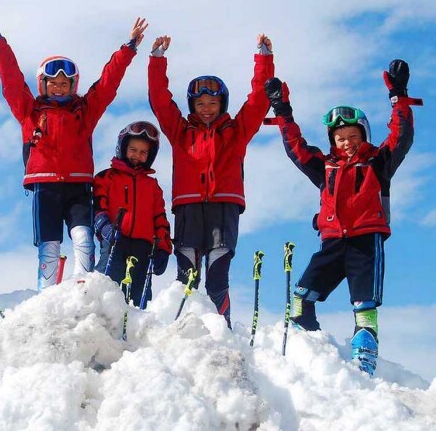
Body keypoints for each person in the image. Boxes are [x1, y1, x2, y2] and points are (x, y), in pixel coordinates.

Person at [263, 60, 422, 376]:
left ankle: (364, 356)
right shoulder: (325, 167)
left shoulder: (378, 162)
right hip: (333, 242)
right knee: (301, 297)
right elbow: (296, 148)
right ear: (332, 141)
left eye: (352, 136)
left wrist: (398, 95)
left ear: (364, 135)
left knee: (364, 305)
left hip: (365, 241)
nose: (347, 142)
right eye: (340, 138)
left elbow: (401, 136)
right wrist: (282, 110)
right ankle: (307, 345)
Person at [0, 8, 148, 291]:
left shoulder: (84, 111)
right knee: (50, 245)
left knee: (84, 238)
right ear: (43, 85)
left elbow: (108, 84)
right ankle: (47, 295)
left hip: (78, 186)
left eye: (64, 84)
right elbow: (11, 80)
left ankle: (83, 289)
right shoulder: (29, 111)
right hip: (45, 186)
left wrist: (128, 49)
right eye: (53, 83)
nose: (58, 88)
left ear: (73, 85)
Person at [147, 34, 275, 328]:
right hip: (188, 208)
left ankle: (221, 330)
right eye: (200, 103)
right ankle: (183, 330)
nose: (206, 108)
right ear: (192, 105)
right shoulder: (180, 131)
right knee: (187, 276)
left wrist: (264, 58)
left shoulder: (236, 131)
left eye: (213, 103)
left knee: (217, 275)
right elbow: (159, 100)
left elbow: (258, 101)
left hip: (224, 207)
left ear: (222, 103)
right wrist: (157, 60)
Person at [93, 121, 173, 306]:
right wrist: (105, 227)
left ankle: (136, 320)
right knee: (107, 287)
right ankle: (99, 315)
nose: (137, 155)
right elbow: (98, 207)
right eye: (133, 150)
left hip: (143, 246)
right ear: (123, 148)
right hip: (115, 241)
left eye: (143, 152)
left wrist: (163, 248)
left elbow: (160, 219)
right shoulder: (106, 177)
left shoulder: (152, 186)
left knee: (138, 294)